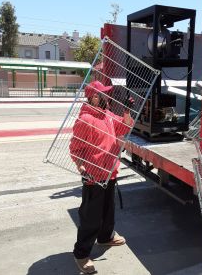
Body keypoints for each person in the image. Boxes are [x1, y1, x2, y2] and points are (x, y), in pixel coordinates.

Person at [69, 80, 134, 274]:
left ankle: (105, 237)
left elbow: (125, 127)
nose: (106, 97)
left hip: (110, 172)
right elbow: (75, 148)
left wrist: (127, 111)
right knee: (91, 217)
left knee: (108, 210)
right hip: (94, 175)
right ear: (94, 97)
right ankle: (81, 254)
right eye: (103, 94)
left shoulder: (107, 115)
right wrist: (81, 167)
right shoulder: (85, 120)